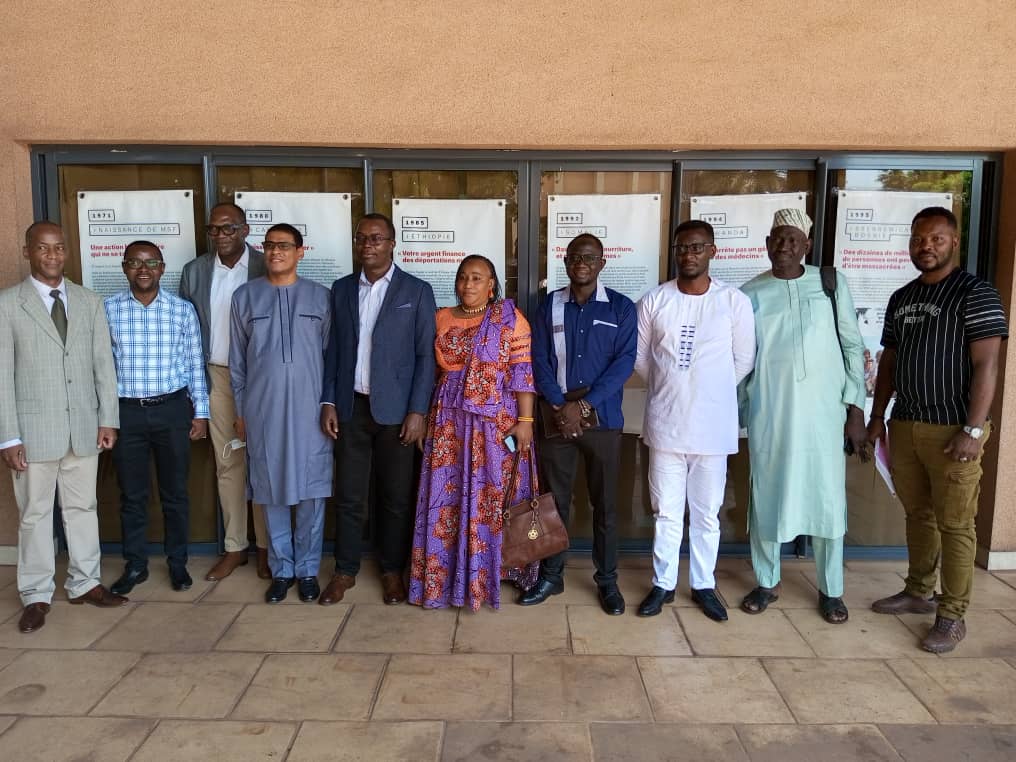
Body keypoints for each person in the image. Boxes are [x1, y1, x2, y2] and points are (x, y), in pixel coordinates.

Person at [869, 206, 1008, 653]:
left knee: (956, 524)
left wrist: (973, 429)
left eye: (936, 239)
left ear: (954, 242)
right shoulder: (902, 297)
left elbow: (987, 365)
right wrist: (877, 416)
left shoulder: (976, 293)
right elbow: (889, 363)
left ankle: (952, 614)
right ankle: (918, 591)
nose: (925, 246)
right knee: (918, 514)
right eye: (918, 239)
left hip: (953, 430)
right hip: (906, 423)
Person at [738, 209, 869, 624]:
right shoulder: (749, 293)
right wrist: (737, 412)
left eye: (793, 239)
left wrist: (855, 410)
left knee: (827, 499)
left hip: (824, 416)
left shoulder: (830, 283)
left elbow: (852, 346)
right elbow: (740, 361)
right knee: (767, 495)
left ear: (806, 245)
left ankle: (832, 590)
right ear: (766, 244)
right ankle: (766, 581)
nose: (784, 246)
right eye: (778, 238)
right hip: (771, 413)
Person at [0, 221, 127, 634]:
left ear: (66, 252)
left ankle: (85, 583)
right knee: (35, 515)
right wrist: (8, 436)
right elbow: (2, 376)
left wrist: (108, 419)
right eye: (43, 248)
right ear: (27, 252)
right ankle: (36, 594)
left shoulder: (89, 301)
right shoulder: (8, 304)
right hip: (33, 432)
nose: (52, 255)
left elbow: (103, 365)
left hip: (84, 428)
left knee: (82, 509)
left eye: (58, 248)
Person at [634, 220, 756, 621]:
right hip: (666, 425)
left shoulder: (733, 301)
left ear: (712, 251)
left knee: (706, 513)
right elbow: (641, 359)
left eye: (697, 247)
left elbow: (743, 361)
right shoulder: (655, 301)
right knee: (666, 511)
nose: (689, 254)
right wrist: (674, 385)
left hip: (712, 428)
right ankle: (663, 584)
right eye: (682, 248)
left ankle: (703, 583)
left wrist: (707, 389)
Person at [408, 255, 539, 610]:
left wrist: (526, 422)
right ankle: (446, 574)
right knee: (446, 496)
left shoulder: (510, 319)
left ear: (491, 284)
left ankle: (491, 574)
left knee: (490, 495)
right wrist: (423, 416)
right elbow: (430, 371)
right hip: (447, 420)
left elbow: (522, 372)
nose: (468, 284)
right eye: (463, 277)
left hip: (494, 422)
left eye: (477, 278)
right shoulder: (440, 317)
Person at [320, 213, 437, 605]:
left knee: (395, 497)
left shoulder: (416, 291)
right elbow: (333, 351)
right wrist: (328, 400)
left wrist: (418, 410)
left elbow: (425, 356)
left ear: (392, 244)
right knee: (349, 496)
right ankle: (345, 571)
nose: (367, 244)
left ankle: (391, 571)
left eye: (376, 238)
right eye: (361, 238)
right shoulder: (341, 289)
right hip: (351, 407)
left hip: (398, 413)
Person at [522, 234, 636, 615]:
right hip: (556, 418)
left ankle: (607, 581)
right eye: (574, 257)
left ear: (602, 262)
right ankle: (551, 575)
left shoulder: (621, 308)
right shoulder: (549, 305)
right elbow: (538, 359)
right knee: (554, 502)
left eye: (589, 257)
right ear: (566, 261)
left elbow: (624, 363)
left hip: (603, 419)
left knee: (605, 505)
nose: (581, 263)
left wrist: (583, 405)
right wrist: (560, 405)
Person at [230, 223, 332, 603]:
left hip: (311, 411)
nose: (276, 252)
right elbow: (238, 363)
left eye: (285, 246)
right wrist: (241, 410)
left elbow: (330, 357)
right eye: (270, 245)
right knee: (269, 488)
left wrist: (328, 404)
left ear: (300, 252)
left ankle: (307, 570)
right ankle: (281, 570)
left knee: (311, 490)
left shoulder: (321, 297)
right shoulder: (245, 297)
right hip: (263, 410)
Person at [105, 241, 210, 595]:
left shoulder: (181, 310)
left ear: (162, 268)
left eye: (151, 262)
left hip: (172, 410)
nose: (143, 269)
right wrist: (105, 417)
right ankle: (135, 565)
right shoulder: (108, 310)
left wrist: (201, 413)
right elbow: (100, 368)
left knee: (175, 493)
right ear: (124, 267)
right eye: (135, 262)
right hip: (126, 413)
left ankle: (177, 563)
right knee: (132, 495)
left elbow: (194, 364)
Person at [179, 202, 270, 581]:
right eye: (214, 229)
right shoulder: (195, 271)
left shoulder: (267, 265)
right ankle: (236, 547)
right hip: (217, 376)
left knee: (263, 462)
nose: (220, 235)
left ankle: (267, 547)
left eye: (228, 228)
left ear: (245, 230)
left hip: (262, 379)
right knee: (228, 462)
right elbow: (186, 333)